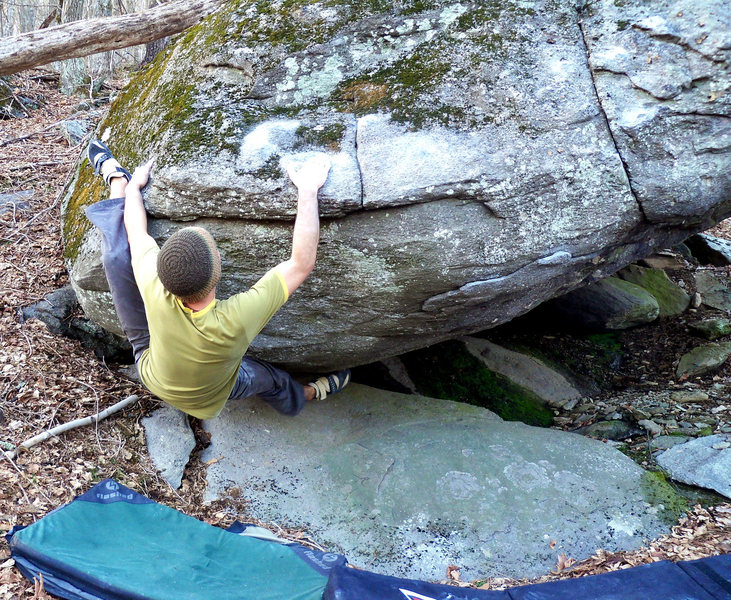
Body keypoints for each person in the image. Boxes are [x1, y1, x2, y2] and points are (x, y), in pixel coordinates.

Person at [84, 139, 350, 420]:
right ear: (217, 273)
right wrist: (308, 192)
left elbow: (136, 231)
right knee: (266, 378)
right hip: (209, 398)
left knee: (116, 257)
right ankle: (306, 394)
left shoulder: (153, 281)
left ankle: (117, 180)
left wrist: (135, 189)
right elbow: (300, 263)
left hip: (151, 369)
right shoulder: (235, 320)